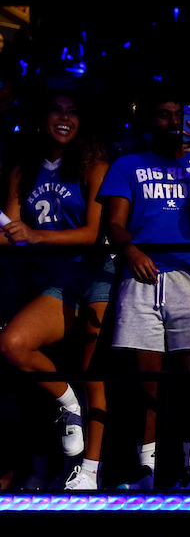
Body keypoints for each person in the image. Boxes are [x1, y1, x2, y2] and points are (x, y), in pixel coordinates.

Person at [98, 88, 190, 490]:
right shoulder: (128, 165)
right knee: (146, 378)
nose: (174, 122)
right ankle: (146, 468)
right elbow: (113, 223)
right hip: (141, 274)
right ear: (150, 121)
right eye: (164, 115)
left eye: (180, 115)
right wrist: (128, 249)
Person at [0, 91, 112, 490]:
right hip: (53, 283)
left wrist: (34, 234)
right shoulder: (22, 171)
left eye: (73, 111)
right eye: (56, 110)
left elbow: (93, 234)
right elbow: (11, 233)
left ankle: (90, 472)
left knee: (92, 371)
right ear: (41, 117)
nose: (64, 118)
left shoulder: (95, 167)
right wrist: (11, 234)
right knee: (12, 343)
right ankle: (68, 404)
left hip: (96, 275)